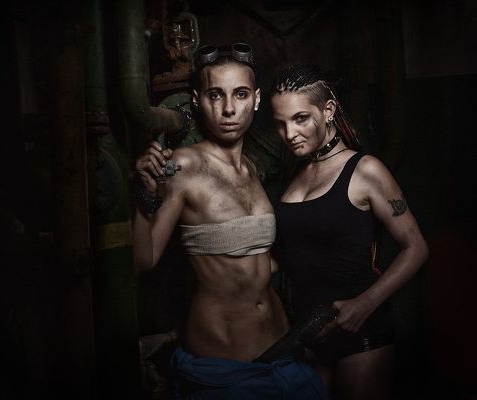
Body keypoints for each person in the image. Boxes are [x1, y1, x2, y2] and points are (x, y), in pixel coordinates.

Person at [133, 45, 328, 399]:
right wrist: (145, 194)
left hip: (281, 350)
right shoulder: (181, 165)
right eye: (215, 95)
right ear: (197, 101)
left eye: (240, 94)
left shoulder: (251, 168)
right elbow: (143, 260)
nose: (228, 109)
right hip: (224, 365)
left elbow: (254, 258)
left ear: (256, 99)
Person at [269, 64, 429, 400]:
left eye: (300, 118)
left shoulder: (366, 169)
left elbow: (416, 247)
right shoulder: (292, 173)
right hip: (307, 335)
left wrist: (364, 304)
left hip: (362, 332)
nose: (289, 133)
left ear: (328, 110)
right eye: (280, 123)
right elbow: (287, 255)